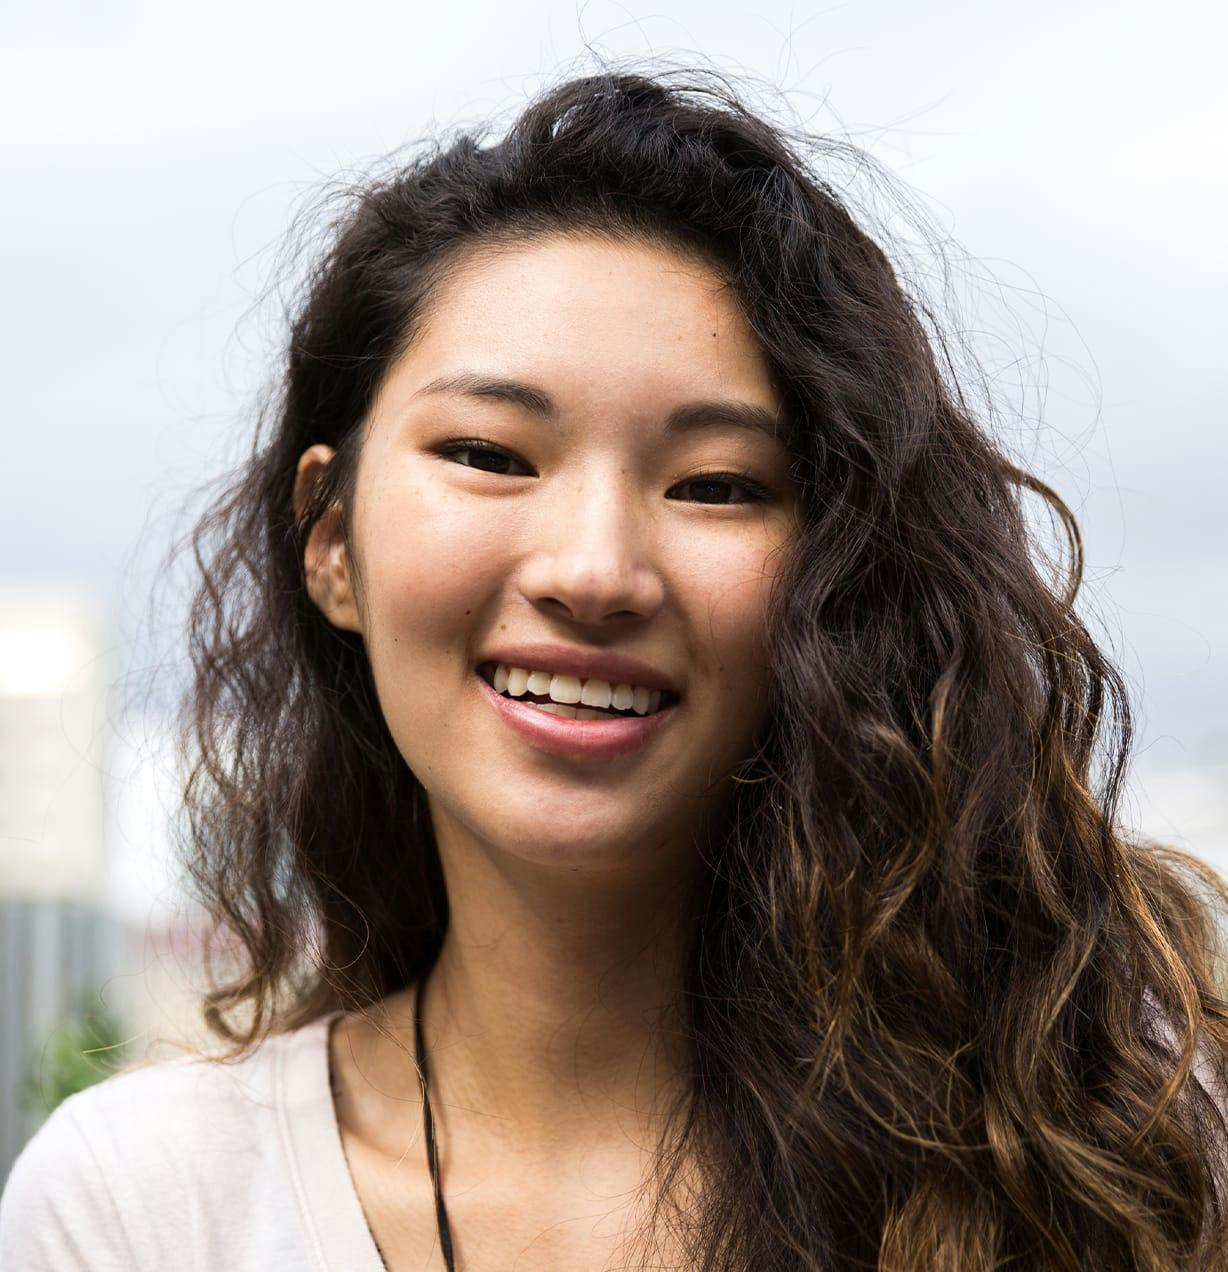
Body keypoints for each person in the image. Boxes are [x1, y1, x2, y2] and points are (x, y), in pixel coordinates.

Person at [3, 64, 1227, 1271]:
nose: (595, 572)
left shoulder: (1113, 1160)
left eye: (717, 486)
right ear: (331, 542)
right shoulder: (143, 1209)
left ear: (841, 576)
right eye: (490, 452)